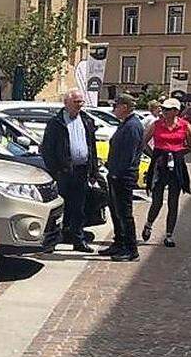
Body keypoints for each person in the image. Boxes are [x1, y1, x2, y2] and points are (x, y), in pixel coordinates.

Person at [40, 89, 99, 252]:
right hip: (63, 172)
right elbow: (47, 149)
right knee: (58, 208)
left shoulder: (86, 120)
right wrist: (56, 170)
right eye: (76, 102)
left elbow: (91, 147)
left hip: (81, 171)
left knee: (78, 208)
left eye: (81, 102)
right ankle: (52, 242)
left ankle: (78, 240)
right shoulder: (56, 122)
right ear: (66, 103)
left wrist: (94, 170)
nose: (79, 105)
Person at [142, 98, 191, 247]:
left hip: (176, 164)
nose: (164, 111)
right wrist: (154, 155)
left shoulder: (184, 125)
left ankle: (169, 234)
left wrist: (178, 154)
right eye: (163, 109)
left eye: (168, 109)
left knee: (173, 201)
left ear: (176, 111)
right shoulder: (156, 124)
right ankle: (149, 223)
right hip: (160, 163)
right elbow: (144, 141)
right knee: (157, 199)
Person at [98, 94, 145, 261]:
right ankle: (119, 242)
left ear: (124, 107)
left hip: (124, 176)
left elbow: (128, 155)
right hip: (116, 174)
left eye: (116, 106)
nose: (113, 110)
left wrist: (117, 173)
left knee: (125, 213)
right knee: (116, 211)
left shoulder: (132, 126)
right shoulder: (125, 124)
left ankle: (131, 249)